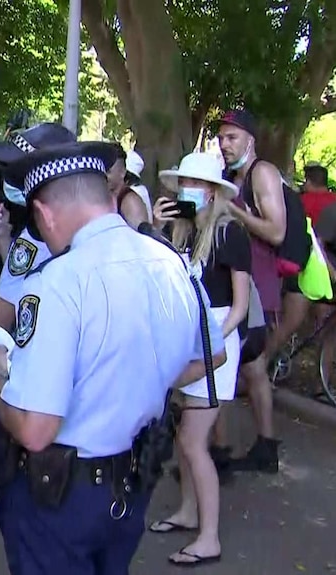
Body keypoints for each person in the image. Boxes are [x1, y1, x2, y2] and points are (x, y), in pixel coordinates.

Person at [0, 141, 227, 575]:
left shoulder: (60, 280)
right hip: (133, 483)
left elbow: (34, 428)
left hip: (64, 494)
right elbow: (212, 353)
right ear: (108, 198)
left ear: (45, 213)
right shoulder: (170, 261)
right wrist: (143, 377)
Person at [149, 152, 251, 566]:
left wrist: (213, 346)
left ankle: (209, 536)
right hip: (192, 339)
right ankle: (189, 512)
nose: (188, 190)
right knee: (184, 438)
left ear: (212, 191)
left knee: (193, 441)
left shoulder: (229, 234)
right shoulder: (182, 232)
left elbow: (240, 306)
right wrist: (155, 228)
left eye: (196, 183)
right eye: (184, 182)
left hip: (216, 343)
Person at [0, 122, 75, 482]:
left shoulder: (71, 240)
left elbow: (5, 311)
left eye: (17, 167)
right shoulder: (31, 231)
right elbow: (13, 289)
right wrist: (3, 238)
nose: (8, 177)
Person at [219, 109, 285, 473]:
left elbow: (275, 231)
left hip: (258, 284)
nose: (224, 145)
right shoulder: (233, 176)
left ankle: (226, 451)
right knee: (251, 368)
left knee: (238, 365)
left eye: (232, 138)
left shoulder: (262, 174)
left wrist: (232, 209)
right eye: (222, 138)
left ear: (250, 140)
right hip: (241, 279)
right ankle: (262, 446)